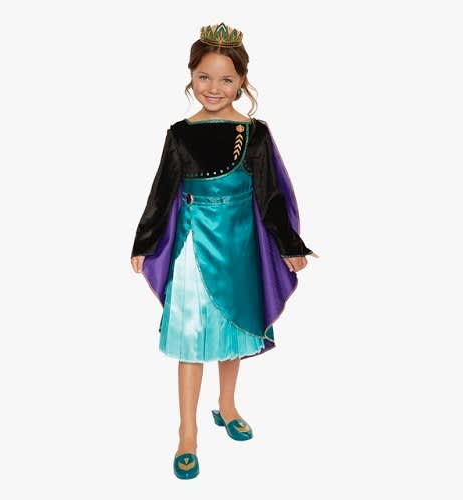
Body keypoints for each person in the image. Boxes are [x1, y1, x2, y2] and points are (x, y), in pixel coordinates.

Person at [130, 21, 319, 479]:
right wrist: (145, 240)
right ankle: (187, 432)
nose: (214, 88)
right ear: (190, 76)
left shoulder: (254, 133)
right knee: (190, 336)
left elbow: (271, 194)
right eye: (204, 77)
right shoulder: (180, 134)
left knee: (234, 325)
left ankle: (228, 405)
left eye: (226, 79)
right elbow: (162, 191)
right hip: (193, 245)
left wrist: (288, 243)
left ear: (242, 81)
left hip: (239, 246)